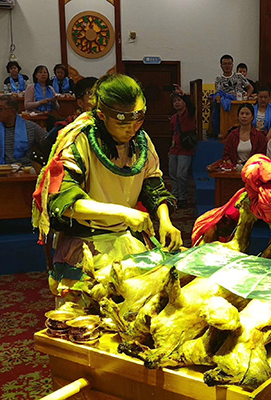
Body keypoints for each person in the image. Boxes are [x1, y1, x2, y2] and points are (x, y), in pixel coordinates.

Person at [32, 73, 182, 305]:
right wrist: (122, 212)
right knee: (90, 316)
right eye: (123, 124)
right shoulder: (79, 140)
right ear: (102, 115)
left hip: (127, 240)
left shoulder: (141, 141)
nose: (132, 130)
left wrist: (165, 220)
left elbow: (153, 185)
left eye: (138, 121)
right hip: (86, 243)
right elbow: (64, 202)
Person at [31, 77, 98, 166]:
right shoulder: (66, 128)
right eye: (91, 94)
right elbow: (37, 156)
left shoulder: (110, 126)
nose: (97, 100)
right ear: (80, 103)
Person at [0, 95, 47, 167]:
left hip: (26, 168)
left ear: (12, 111)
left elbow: (48, 142)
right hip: (2, 168)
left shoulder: (31, 127)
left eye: (0, 109)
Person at [168, 86, 197, 209]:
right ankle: (175, 196)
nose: (177, 103)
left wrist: (183, 94)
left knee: (181, 174)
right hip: (174, 149)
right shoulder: (174, 118)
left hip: (185, 150)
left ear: (184, 102)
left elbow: (192, 107)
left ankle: (183, 198)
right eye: (174, 101)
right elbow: (172, 133)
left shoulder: (188, 114)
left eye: (179, 100)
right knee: (173, 174)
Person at [211, 54, 253, 137]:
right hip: (225, 105)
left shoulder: (239, 76)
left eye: (229, 64)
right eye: (225, 64)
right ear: (221, 66)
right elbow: (218, 93)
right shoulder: (219, 79)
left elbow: (250, 88)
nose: (227, 66)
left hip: (240, 103)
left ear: (232, 65)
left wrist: (246, 97)